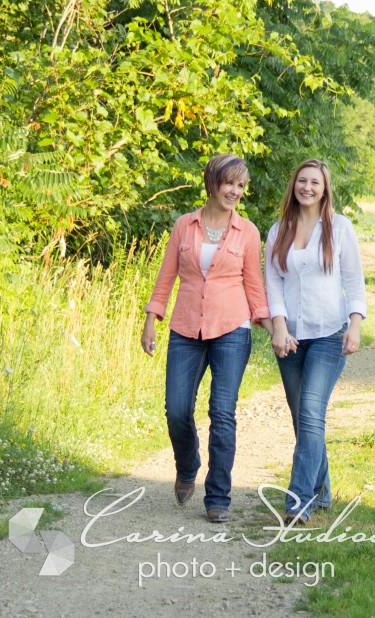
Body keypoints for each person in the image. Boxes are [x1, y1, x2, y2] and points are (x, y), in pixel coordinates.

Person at [140, 153, 271, 524]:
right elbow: (166, 276)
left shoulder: (248, 233)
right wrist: (151, 320)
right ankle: (187, 464)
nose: (235, 191)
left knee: (222, 413)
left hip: (232, 327)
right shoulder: (185, 225)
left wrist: (270, 324)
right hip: (185, 328)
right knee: (177, 409)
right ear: (212, 182)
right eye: (229, 183)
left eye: (241, 186)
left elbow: (254, 283)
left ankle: (218, 498)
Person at [265, 159, 366, 525]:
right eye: (302, 181)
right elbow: (272, 283)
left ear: (325, 190)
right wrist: (278, 328)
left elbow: (354, 281)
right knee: (303, 420)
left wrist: (354, 326)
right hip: (290, 338)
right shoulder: (278, 230)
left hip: (329, 335)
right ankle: (322, 491)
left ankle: (299, 502)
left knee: (310, 414)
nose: (307, 188)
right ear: (294, 186)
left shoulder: (340, 228)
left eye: (315, 183)